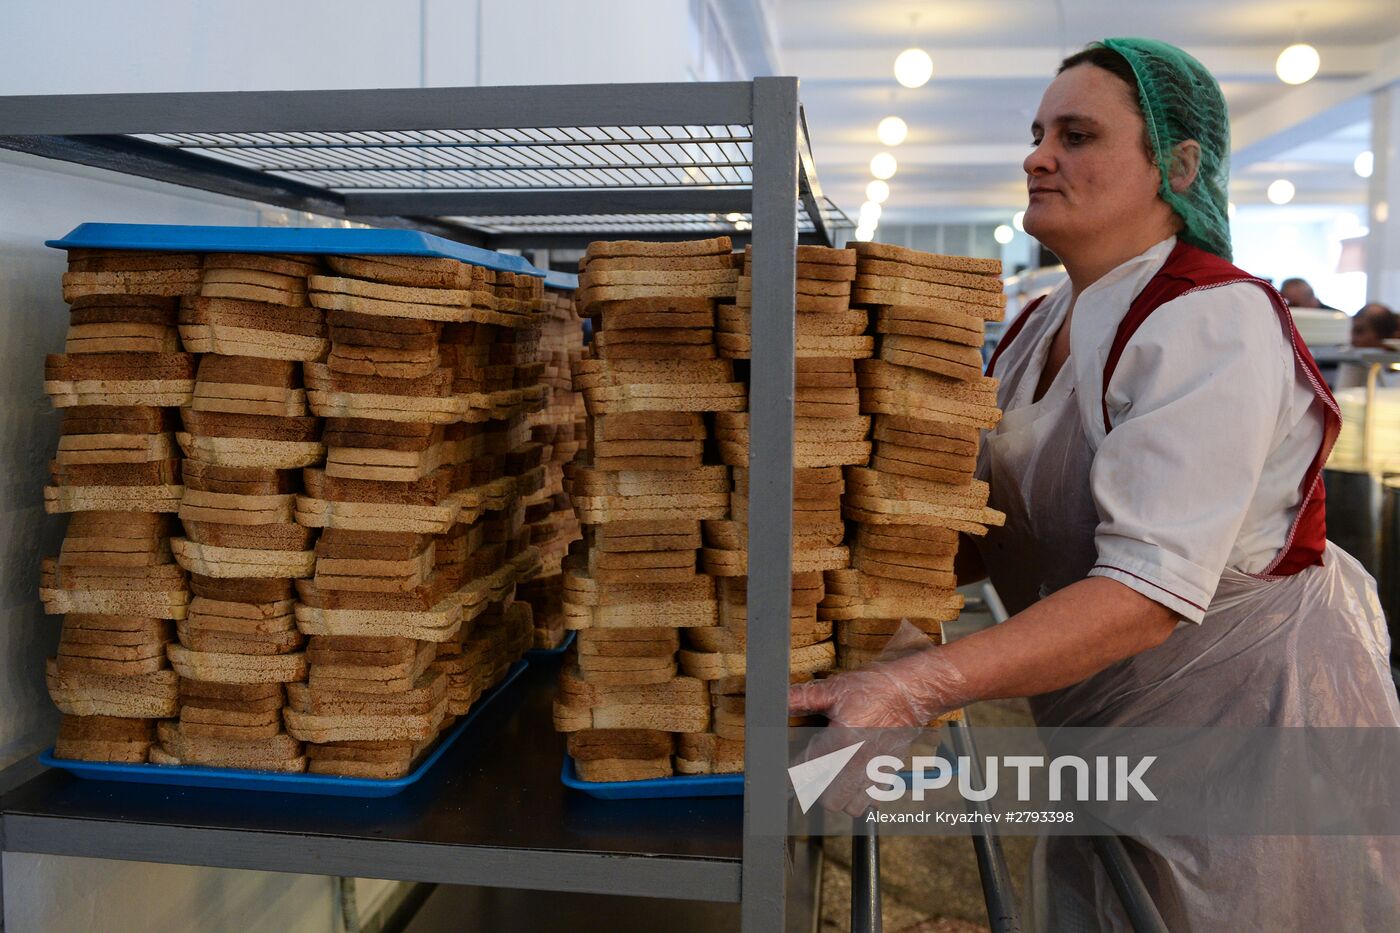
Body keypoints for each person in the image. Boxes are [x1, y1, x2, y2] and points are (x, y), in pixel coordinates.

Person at [790, 38, 1400, 929]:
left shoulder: (1211, 320)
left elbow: (1144, 593)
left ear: (1178, 167)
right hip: (1120, 732)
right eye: (1039, 132)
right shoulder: (1046, 323)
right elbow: (991, 524)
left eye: (1077, 135)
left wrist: (921, 681)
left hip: (1250, 749)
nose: (1038, 155)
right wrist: (846, 599)